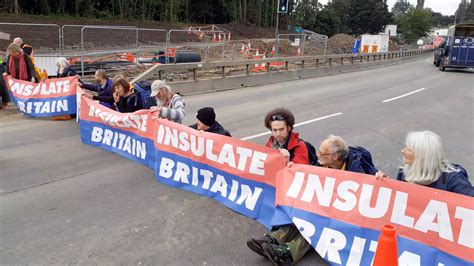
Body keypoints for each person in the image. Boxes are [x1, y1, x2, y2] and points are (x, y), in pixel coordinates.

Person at [248, 133, 378, 265]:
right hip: (323, 204)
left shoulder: (357, 173)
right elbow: (309, 175)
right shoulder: (324, 164)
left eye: (322, 153)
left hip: (341, 216)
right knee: (299, 212)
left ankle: (288, 253)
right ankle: (273, 239)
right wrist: (292, 167)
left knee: (315, 226)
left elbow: (366, 200)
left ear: (335, 157)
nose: (317, 155)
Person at [247, 108, 310, 265]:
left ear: (289, 127)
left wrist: (289, 162)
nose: (278, 133)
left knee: (301, 224)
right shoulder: (271, 144)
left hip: (300, 192)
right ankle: (271, 241)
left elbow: (303, 172)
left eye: (281, 129)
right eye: (274, 130)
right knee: (287, 220)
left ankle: (285, 252)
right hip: (283, 191)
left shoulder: (299, 146)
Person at [376, 131, 473, 196]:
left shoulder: (453, 179)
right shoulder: (404, 172)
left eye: (408, 149)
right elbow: (401, 200)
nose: (403, 151)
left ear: (422, 155)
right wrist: (389, 184)